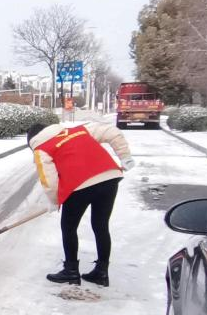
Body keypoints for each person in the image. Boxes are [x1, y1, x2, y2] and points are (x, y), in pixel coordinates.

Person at [26, 120, 134, 287]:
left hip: (79, 186)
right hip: (109, 178)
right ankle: (101, 272)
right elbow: (112, 132)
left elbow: (49, 179)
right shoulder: (79, 130)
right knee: (100, 225)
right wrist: (125, 156)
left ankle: (71, 271)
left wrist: (55, 200)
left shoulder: (41, 148)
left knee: (68, 227)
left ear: (32, 140)